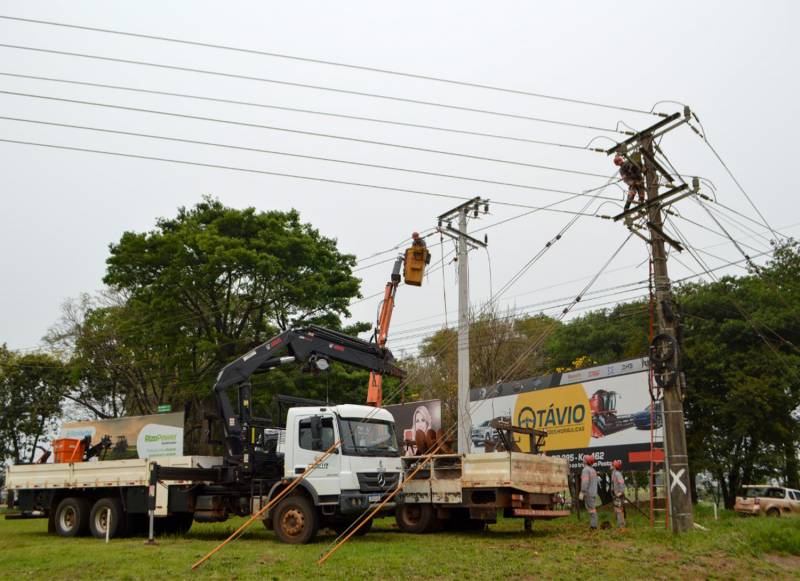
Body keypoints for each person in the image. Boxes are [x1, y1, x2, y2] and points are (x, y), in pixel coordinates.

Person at [579, 454, 599, 530]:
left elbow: (585, 482)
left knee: (591, 510)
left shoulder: (585, 470)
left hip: (588, 493)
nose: (582, 460)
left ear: (586, 461)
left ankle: (593, 526)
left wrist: (582, 492)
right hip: (593, 492)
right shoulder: (593, 470)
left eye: (584, 459)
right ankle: (593, 525)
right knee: (592, 509)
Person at [611, 459, 627, 529]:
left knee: (619, 510)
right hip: (616, 495)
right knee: (617, 510)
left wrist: (621, 492)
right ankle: (620, 525)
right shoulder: (614, 473)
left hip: (619, 496)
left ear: (614, 466)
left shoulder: (617, 474)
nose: (610, 466)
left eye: (612, 465)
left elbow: (622, 483)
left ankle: (621, 527)